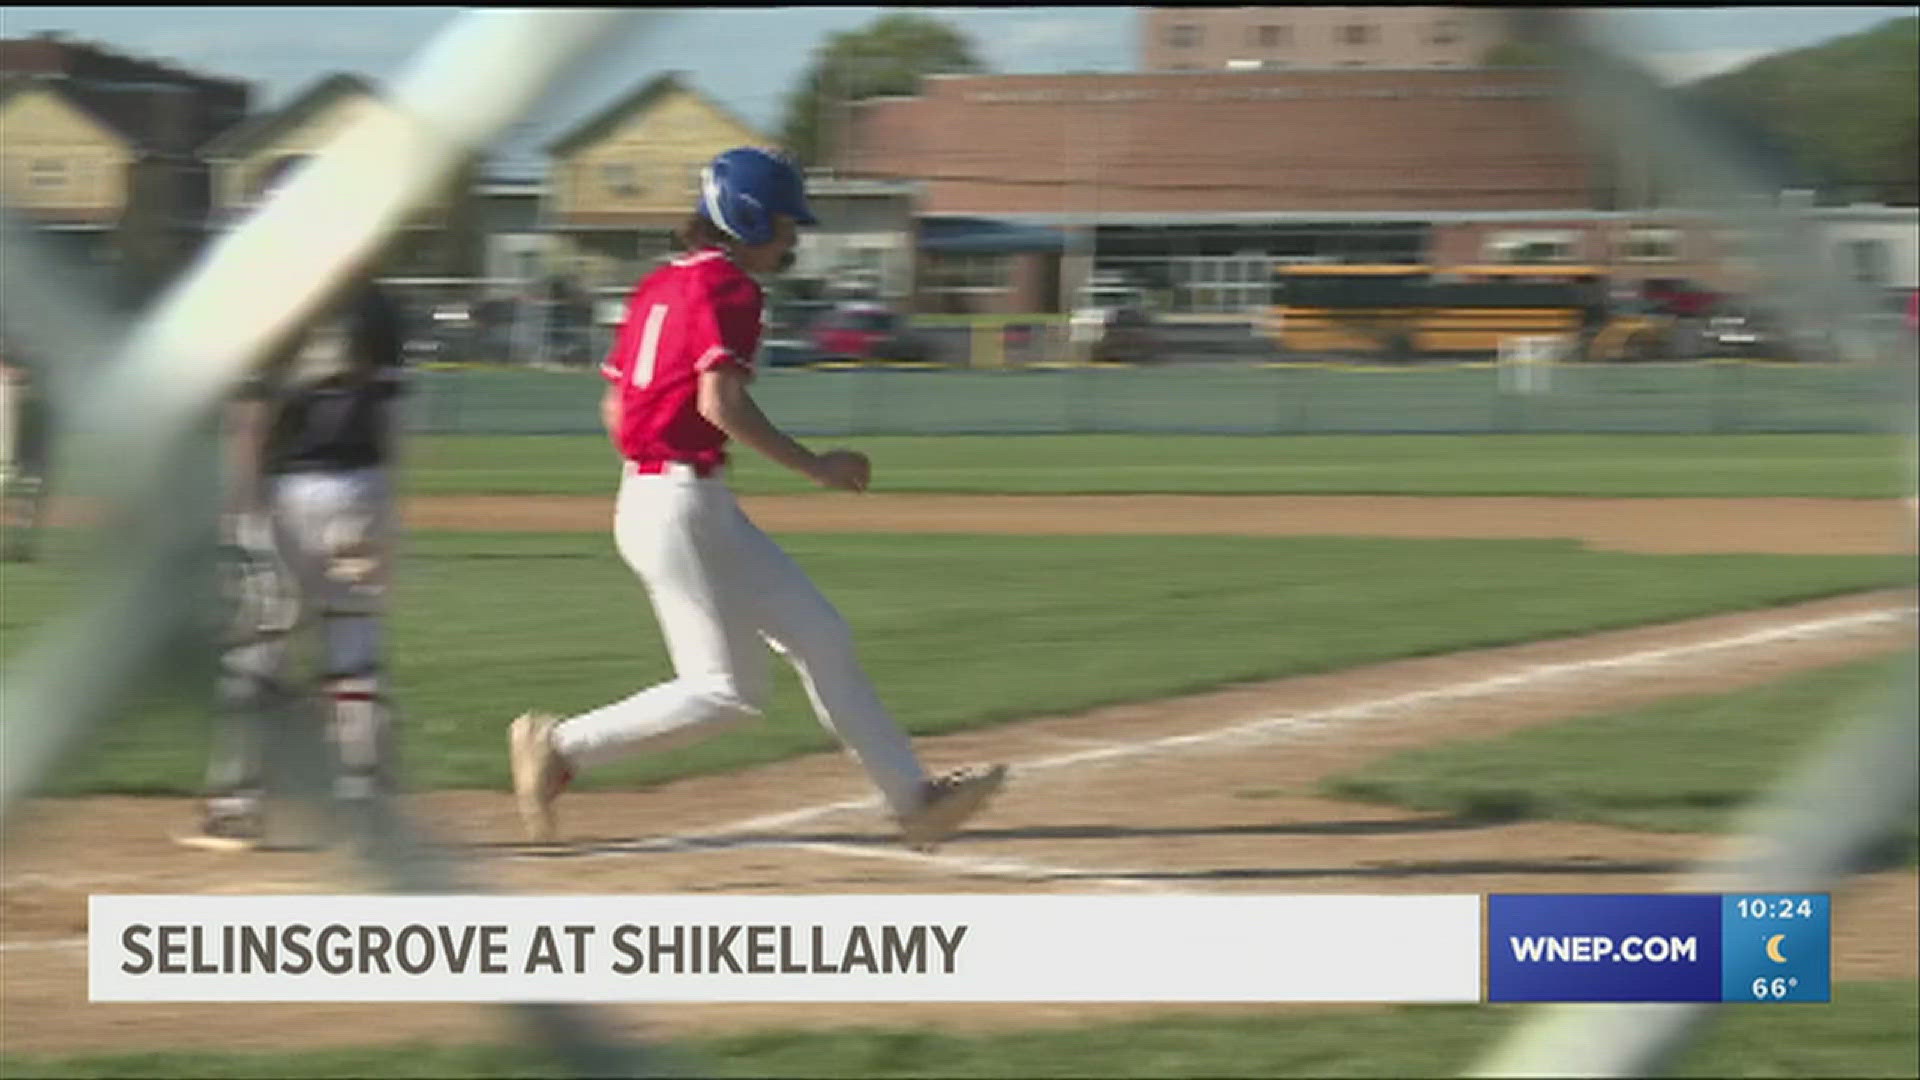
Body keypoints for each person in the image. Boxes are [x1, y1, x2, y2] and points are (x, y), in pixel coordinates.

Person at [508, 147, 1006, 851]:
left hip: (676, 499)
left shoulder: (657, 286)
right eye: (783, 224)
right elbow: (720, 402)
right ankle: (560, 747)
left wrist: (662, 456)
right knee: (724, 693)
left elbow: (616, 409)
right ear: (744, 218)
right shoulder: (731, 289)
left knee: (821, 636)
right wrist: (815, 467)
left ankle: (913, 800)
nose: (792, 238)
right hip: (678, 505)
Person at [186, 153, 408, 850]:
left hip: (287, 491)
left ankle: (238, 802)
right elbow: (396, 413)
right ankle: (362, 805)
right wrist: (387, 500)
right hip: (364, 486)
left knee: (256, 650)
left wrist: (239, 512)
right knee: (354, 651)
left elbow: (249, 416)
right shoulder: (373, 297)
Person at [1, 344, 53, 563]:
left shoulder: (21, 392)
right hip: (12, 453)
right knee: (26, 499)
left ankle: (22, 547)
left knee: (28, 500)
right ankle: (21, 547)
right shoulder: (14, 390)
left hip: (25, 451)